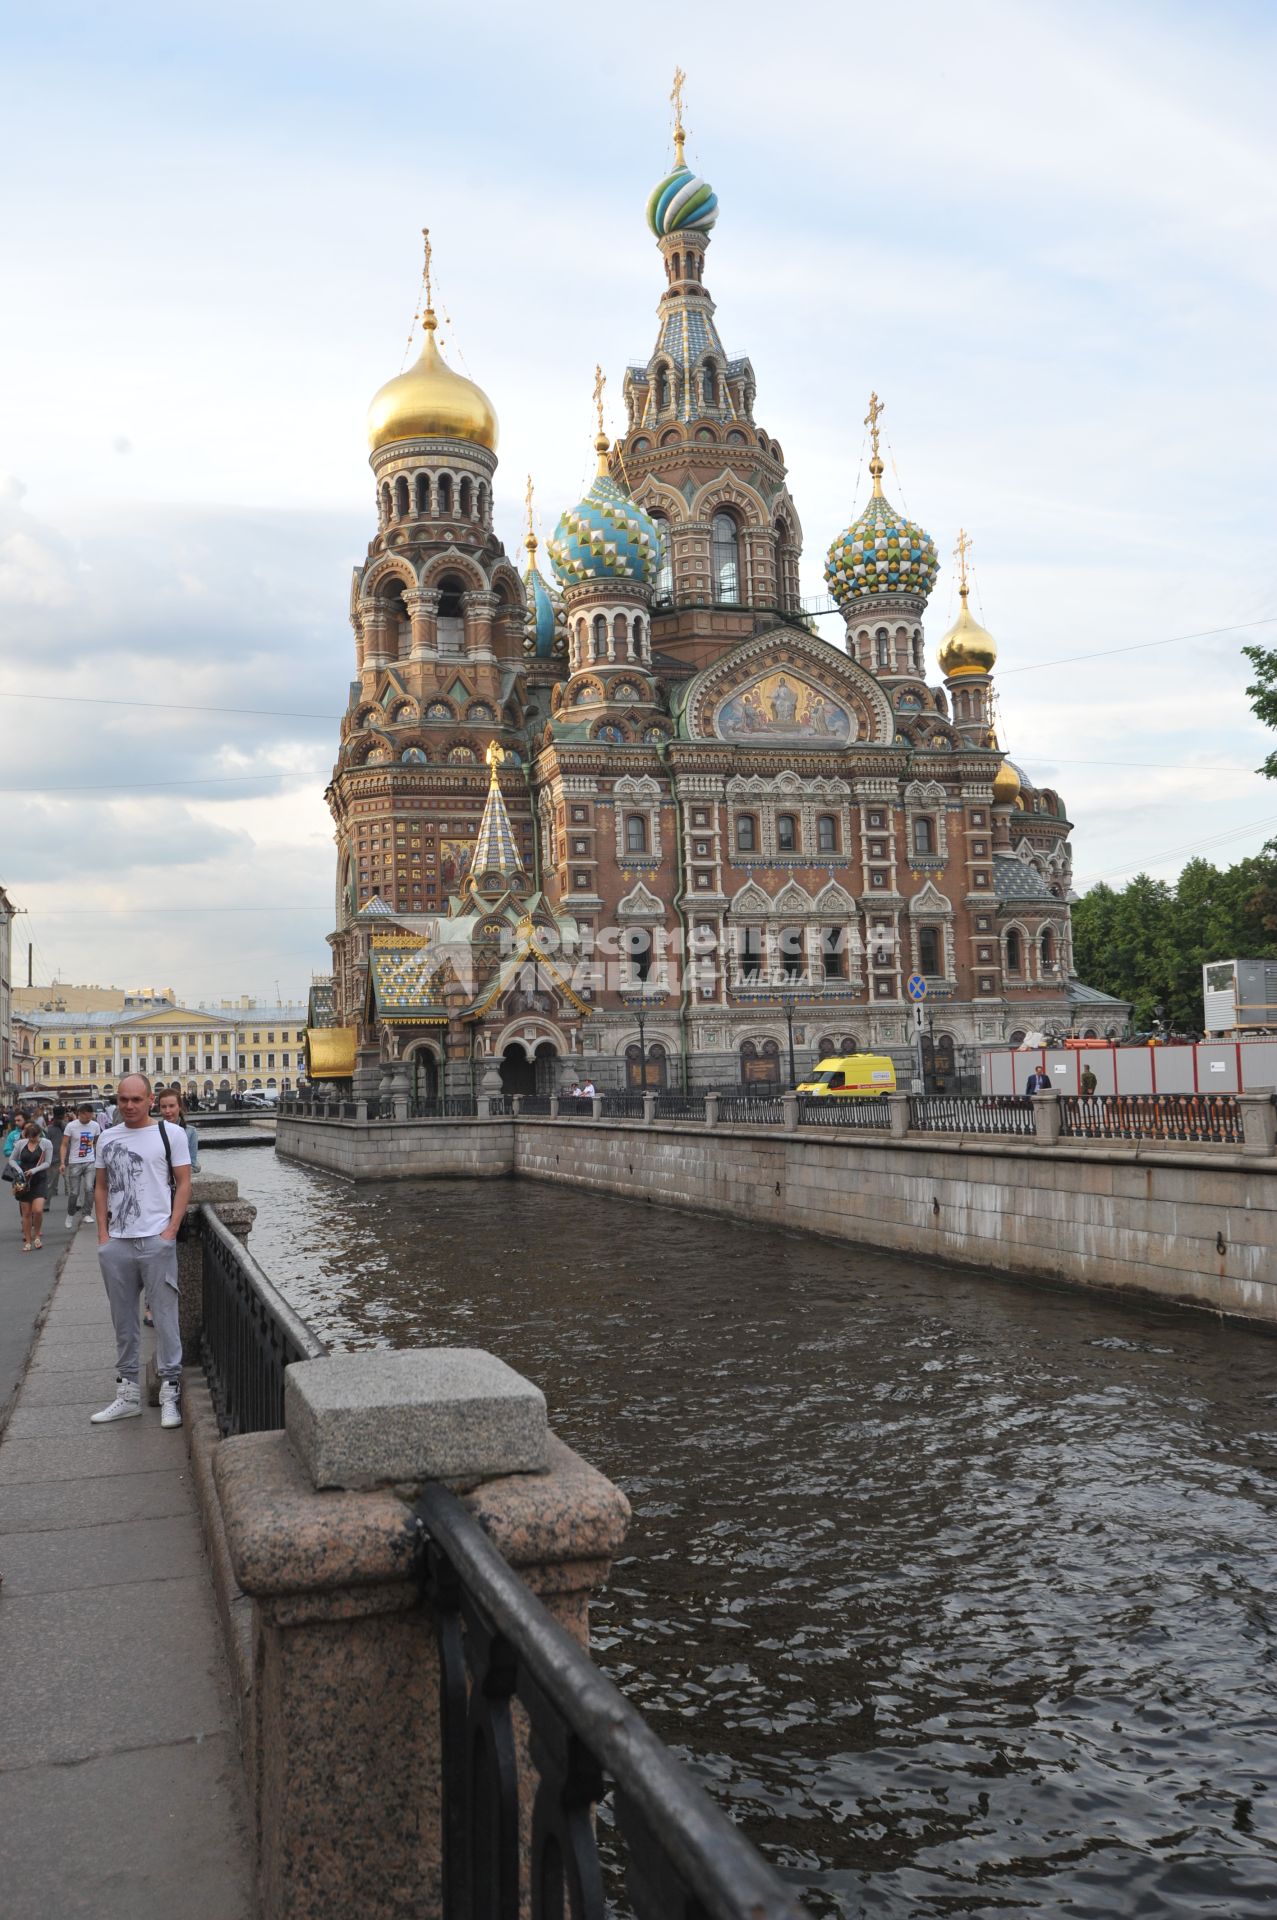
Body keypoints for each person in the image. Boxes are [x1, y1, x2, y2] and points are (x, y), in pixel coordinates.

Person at [91, 1073, 191, 1429]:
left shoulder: (171, 1134)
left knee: (165, 1319)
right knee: (123, 1322)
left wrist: (170, 1230)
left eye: (136, 1100)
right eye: (123, 1100)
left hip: (156, 1240)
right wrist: (103, 1236)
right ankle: (128, 1393)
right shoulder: (106, 1137)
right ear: (117, 1101)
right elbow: (101, 1188)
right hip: (117, 1242)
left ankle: (169, 1393)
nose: (129, 1106)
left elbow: (184, 1183)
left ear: (150, 1100)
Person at [7, 1121, 53, 1250]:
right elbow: (11, 1159)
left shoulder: (46, 1143)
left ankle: (37, 1235)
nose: (32, 1140)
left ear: (39, 1134)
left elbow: (48, 1162)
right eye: (29, 1137)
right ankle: (27, 1241)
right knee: (26, 1213)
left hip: (39, 1178)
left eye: (34, 1137)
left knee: (38, 1210)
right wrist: (19, 1170)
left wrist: (34, 1170)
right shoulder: (21, 1144)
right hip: (24, 1181)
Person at [61, 1101, 102, 1230]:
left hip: (90, 1161)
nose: (90, 1118)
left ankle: (87, 1213)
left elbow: (98, 1143)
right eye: (87, 1116)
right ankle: (70, 1214)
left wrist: (100, 1159)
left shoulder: (95, 1125)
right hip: (75, 1163)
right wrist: (62, 1162)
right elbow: (64, 1144)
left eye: (91, 1116)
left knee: (89, 1188)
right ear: (81, 1114)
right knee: (74, 1192)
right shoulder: (71, 1126)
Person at [158, 1088, 200, 1174]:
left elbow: (193, 1165)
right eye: (163, 1107)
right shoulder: (155, 1131)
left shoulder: (190, 1132)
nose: (167, 1111)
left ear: (179, 1106)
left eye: (171, 1106)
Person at [45, 1105, 67, 1204]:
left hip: (52, 1158)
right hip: (66, 1157)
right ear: (64, 1114)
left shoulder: (49, 1128)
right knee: (71, 1183)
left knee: (50, 1183)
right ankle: (75, 1203)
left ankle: (46, 1204)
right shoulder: (67, 1126)